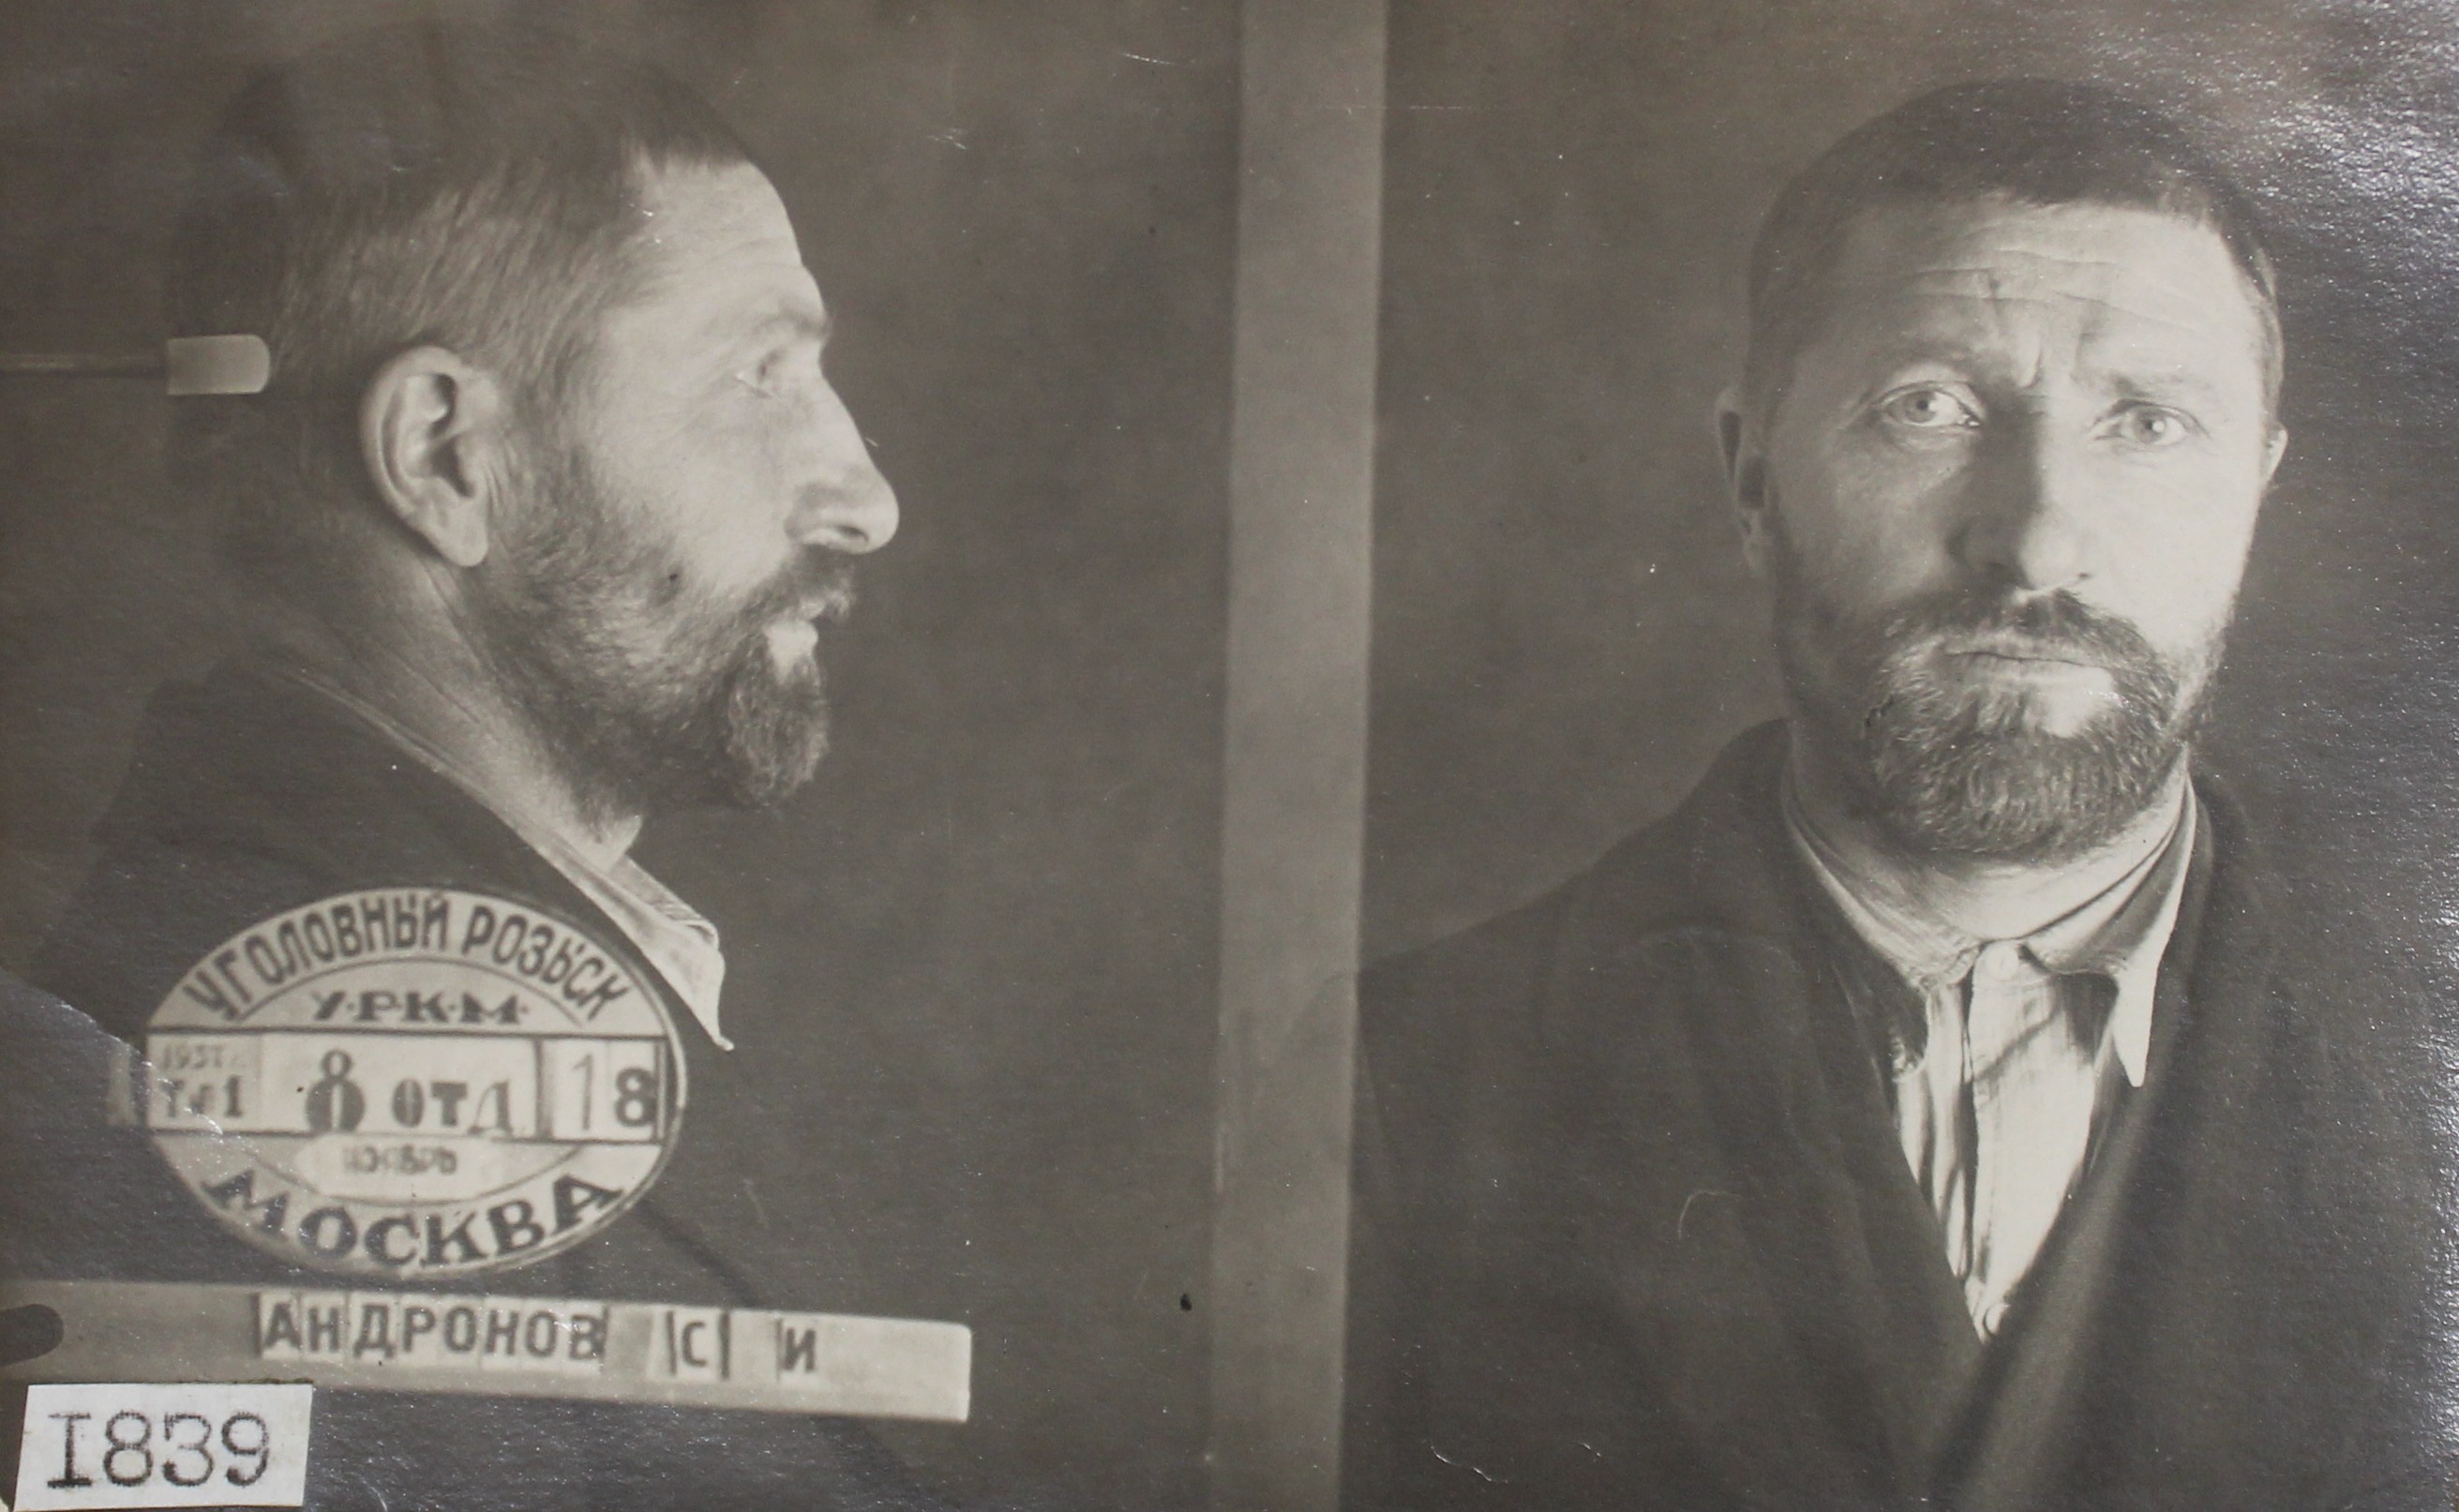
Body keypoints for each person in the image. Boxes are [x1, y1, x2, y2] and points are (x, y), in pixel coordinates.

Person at [1342, 80, 2439, 1511]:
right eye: (1927, 407)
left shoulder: (2428, 1063)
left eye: (2151, 422)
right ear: (1752, 479)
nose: (2037, 539)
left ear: (2258, 490)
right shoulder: (1398, 1083)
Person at [0, 20, 948, 1509]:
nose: (866, 496)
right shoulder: (236, 1113)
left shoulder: (259, 999)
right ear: (448, 456)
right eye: (760, 374)